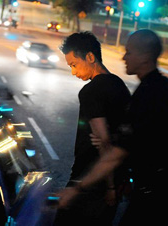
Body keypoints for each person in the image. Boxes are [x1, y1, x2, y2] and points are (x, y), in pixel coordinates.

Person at [57, 29, 168, 226]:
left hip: (147, 187)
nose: (124, 56)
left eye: (129, 52)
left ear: (145, 57)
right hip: (162, 185)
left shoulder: (145, 95)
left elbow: (113, 148)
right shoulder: (147, 87)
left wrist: (80, 187)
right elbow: (138, 139)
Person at [54, 31, 131, 226]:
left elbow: (103, 142)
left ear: (90, 57)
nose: (73, 72)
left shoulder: (90, 92)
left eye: (74, 65)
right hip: (115, 178)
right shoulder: (120, 86)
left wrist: (110, 187)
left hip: (89, 180)